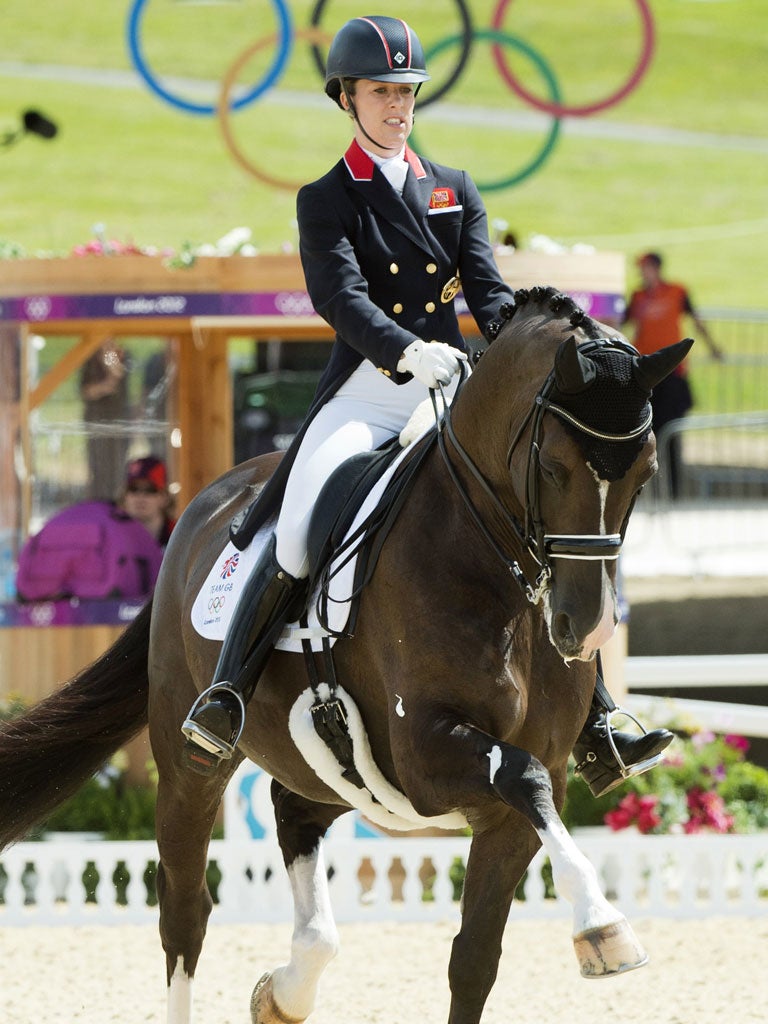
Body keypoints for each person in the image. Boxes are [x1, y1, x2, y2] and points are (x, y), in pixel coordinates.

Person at [181, 15, 672, 793]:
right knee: (303, 527)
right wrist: (402, 348)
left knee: (534, 522)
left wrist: (540, 351)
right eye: (382, 91)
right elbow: (339, 297)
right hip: (368, 390)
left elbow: (490, 296)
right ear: (347, 97)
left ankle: (596, 715)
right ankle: (228, 693)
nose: (398, 105)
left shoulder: (453, 191)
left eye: (407, 91)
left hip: (450, 393)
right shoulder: (328, 198)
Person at [623, 252, 723, 497]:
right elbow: (621, 322)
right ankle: (649, 490)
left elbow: (696, 320)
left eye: (645, 268)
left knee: (672, 433)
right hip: (647, 372)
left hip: (673, 373)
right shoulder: (637, 296)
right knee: (646, 432)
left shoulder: (677, 291)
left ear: (656, 268)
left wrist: (713, 346)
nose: (642, 273)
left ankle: (674, 491)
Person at [80, 338, 132, 502]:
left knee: (117, 465)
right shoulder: (90, 360)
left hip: (118, 423)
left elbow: (117, 375)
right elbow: (87, 390)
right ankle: (98, 502)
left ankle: (116, 500)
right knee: (98, 465)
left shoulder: (122, 356)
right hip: (96, 423)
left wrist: (110, 359)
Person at [118, 455, 176, 546]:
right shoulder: (113, 536)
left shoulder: (179, 535)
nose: (140, 496)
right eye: (134, 489)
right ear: (125, 496)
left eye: (150, 490)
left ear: (164, 497)